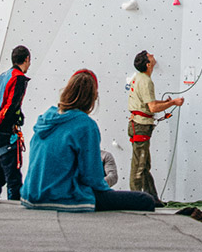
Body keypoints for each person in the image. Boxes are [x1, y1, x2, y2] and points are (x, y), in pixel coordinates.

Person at [20, 69, 155, 212]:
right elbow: (92, 178)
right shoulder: (85, 125)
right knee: (145, 200)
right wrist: (108, 194)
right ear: (92, 97)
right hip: (61, 197)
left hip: (31, 195)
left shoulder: (44, 119)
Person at [127, 50, 184, 205]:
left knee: (144, 165)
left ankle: (153, 199)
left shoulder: (139, 78)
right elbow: (152, 108)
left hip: (138, 124)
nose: (153, 55)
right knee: (140, 166)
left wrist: (165, 103)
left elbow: (149, 103)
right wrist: (172, 103)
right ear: (148, 64)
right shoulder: (145, 81)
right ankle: (135, 200)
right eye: (150, 56)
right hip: (141, 126)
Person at [0, 45, 31, 201]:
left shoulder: (1, 77)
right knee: (13, 179)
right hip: (4, 132)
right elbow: (10, 108)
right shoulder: (18, 78)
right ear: (27, 59)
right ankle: (14, 216)